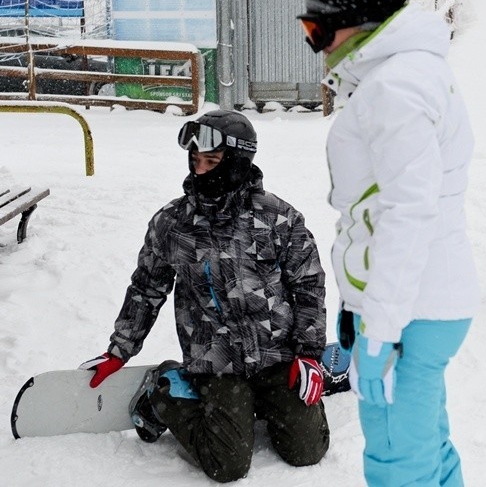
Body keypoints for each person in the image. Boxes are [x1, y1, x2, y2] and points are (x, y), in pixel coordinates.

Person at [298, 0, 479, 487]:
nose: (313, 44)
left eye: (317, 29)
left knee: (399, 465)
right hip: (414, 304)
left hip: (407, 313)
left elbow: (408, 212)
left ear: (359, 24)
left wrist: (379, 326)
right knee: (426, 449)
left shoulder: (395, 89)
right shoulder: (402, 76)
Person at [80, 110, 330, 483]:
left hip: (276, 353)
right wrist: (120, 349)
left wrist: (309, 353)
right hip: (216, 359)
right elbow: (147, 287)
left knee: (307, 451)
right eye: (195, 161)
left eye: (211, 162)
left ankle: (260, 402)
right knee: (226, 465)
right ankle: (163, 391)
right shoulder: (173, 223)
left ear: (238, 163)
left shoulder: (278, 218)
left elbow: (308, 285)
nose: (200, 171)